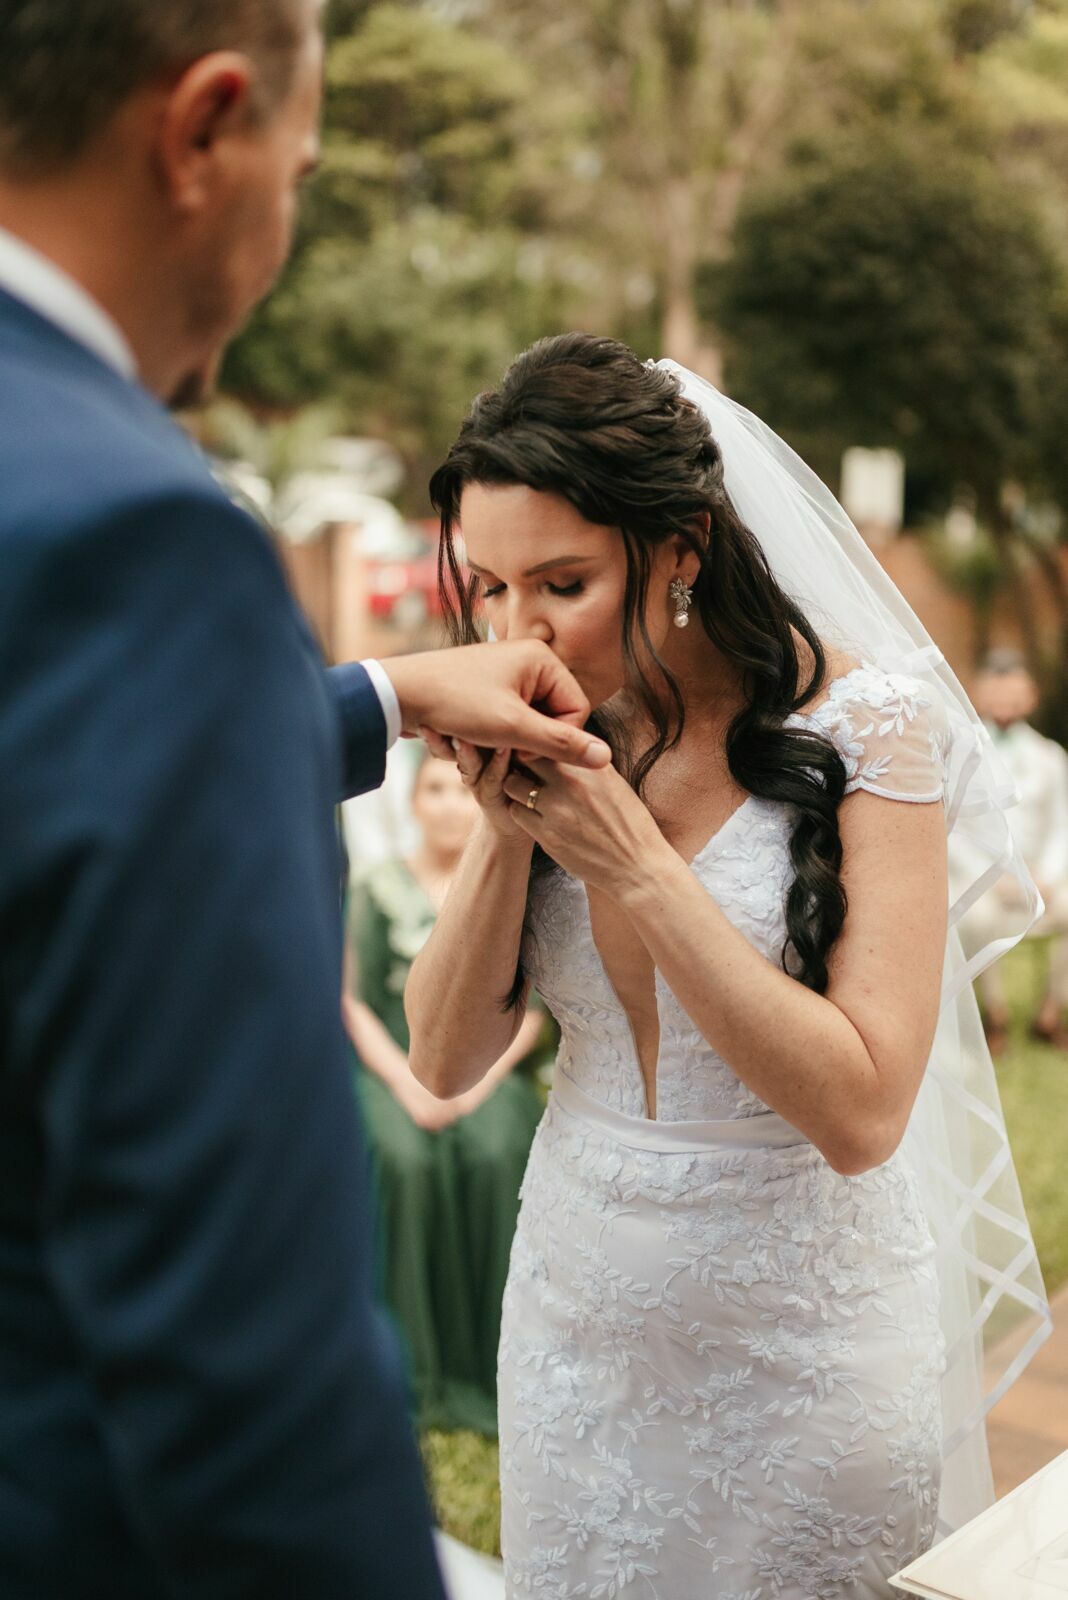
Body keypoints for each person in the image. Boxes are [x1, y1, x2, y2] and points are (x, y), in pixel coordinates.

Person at [0, 10, 611, 1598]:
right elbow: (232, 1335)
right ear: (205, 130)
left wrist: (390, 698)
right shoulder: (139, 542)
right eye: (307, 165)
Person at [406, 334, 1051, 1597]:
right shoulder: (562, 728)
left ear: (682, 551)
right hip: (576, 1324)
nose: (517, 630)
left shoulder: (867, 730)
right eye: (488, 588)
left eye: (563, 583)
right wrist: (505, 821)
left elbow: (864, 1113)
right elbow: (441, 1058)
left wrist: (641, 868)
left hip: (806, 1352)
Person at [344, 749, 545, 1434]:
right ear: (413, 803)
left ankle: (493, 1363)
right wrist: (411, 1086)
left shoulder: (509, 883)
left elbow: (535, 1008)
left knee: (497, 1152)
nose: (451, 807)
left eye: (461, 792)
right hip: (393, 1068)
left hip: (487, 1069)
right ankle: (411, 1369)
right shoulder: (376, 888)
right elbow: (352, 1001)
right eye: (434, 790)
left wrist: (469, 1086)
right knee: (401, 1160)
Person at [958, 650, 1068, 1053]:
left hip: (1039, 877)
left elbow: (1061, 825)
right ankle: (994, 1014)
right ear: (978, 693)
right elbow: (954, 831)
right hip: (983, 877)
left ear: (1031, 695)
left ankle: (1051, 1012)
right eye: (996, 692)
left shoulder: (1050, 756)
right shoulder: (963, 752)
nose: (1005, 701)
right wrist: (993, 877)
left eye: (1014, 693)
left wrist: (1047, 877)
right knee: (978, 917)